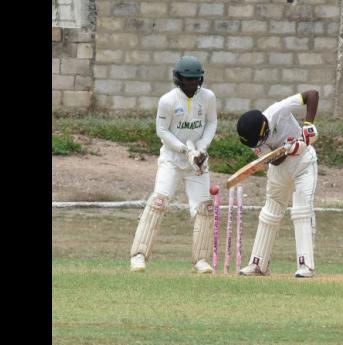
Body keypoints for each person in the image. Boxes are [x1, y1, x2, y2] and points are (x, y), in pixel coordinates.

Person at [130, 55, 217, 274]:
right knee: (159, 201)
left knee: (204, 208)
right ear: (178, 78)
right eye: (187, 79)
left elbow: (211, 122)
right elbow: (162, 131)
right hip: (172, 158)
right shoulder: (168, 100)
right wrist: (184, 149)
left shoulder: (208, 97)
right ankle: (138, 255)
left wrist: (202, 148)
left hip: (198, 160)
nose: (191, 83)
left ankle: (201, 260)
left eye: (195, 79)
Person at [236, 90, 319, 278]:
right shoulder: (252, 139)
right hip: (279, 170)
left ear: (264, 127)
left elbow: (312, 94)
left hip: (304, 164)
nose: (258, 144)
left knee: (301, 210)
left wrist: (307, 128)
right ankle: (258, 265)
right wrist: (287, 149)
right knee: (269, 214)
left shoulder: (278, 110)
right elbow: (274, 161)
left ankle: (306, 265)